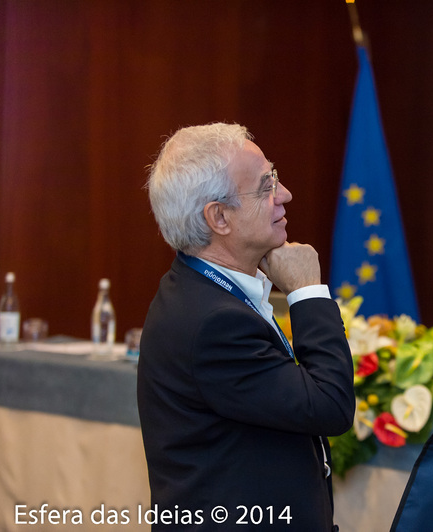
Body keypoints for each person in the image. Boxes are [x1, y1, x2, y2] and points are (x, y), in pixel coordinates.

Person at [137, 123, 354, 531]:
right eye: (265, 185)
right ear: (219, 217)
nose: (285, 195)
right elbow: (330, 405)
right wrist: (307, 291)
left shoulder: (197, 288)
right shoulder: (213, 322)